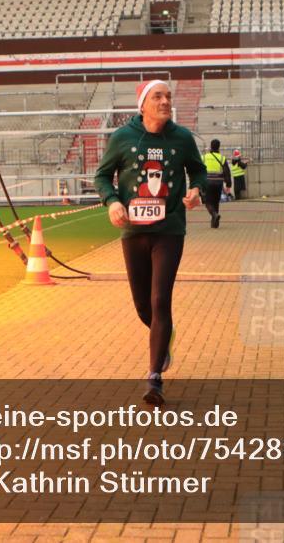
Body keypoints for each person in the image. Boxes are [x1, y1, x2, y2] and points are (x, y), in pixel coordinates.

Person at [94, 80, 206, 406]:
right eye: (158, 96)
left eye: (168, 96)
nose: (165, 101)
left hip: (169, 229)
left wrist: (196, 190)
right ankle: (164, 336)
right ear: (142, 104)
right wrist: (112, 201)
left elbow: (198, 171)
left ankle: (154, 378)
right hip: (133, 231)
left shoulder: (182, 138)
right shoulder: (122, 137)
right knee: (143, 305)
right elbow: (102, 176)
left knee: (160, 300)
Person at [202, 139, 232, 228]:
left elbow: (199, 169)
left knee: (208, 202)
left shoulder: (204, 157)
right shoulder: (222, 158)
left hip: (207, 182)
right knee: (216, 202)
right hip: (218, 183)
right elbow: (227, 172)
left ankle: (214, 215)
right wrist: (228, 185)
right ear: (219, 147)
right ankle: (215, 223)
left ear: (211, 146)